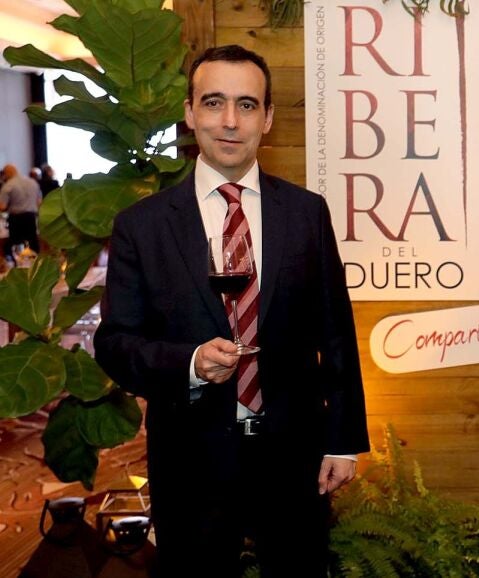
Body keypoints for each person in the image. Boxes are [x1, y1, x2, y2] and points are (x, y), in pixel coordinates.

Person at [94, 45, 370, 577]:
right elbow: (115, 344)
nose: (229, 121)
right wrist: (191, 363)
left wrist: (343, 441)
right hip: (190, 459)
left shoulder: (307, 213)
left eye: (246, 105)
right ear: (189, 112)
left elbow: (335, 332)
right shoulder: (142, 225)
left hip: (294, 456)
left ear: (266, 118)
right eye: (213, 102)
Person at [0, 164, 43, 260]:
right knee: (33, 244)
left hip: (16, 219)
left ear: (7, 173)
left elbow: (2, 207)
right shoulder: (33, 182)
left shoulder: (8, 185)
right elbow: (39, 202)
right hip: (31, 218)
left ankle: (17, 265)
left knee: (16, 247)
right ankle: (35, 264)